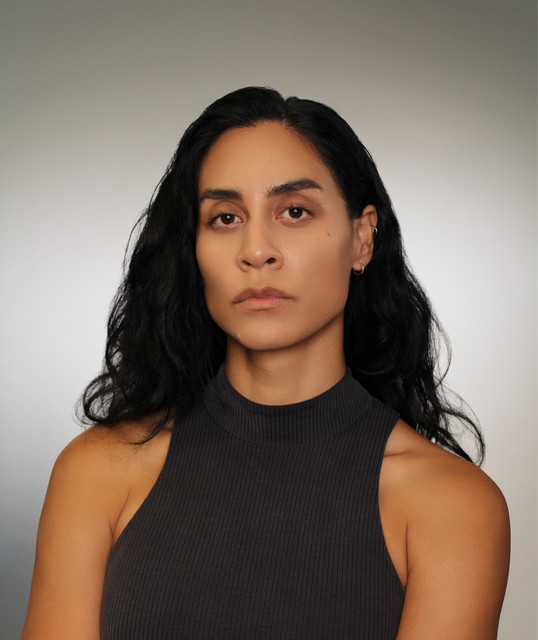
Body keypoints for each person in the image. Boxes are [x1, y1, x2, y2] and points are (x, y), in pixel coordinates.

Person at [22, 87, 510, 639]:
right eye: (225, 217)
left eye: (295, 212)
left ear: (361, 238)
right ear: (193, 248)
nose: (256, 251)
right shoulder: (97, 472)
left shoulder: (452, 506)